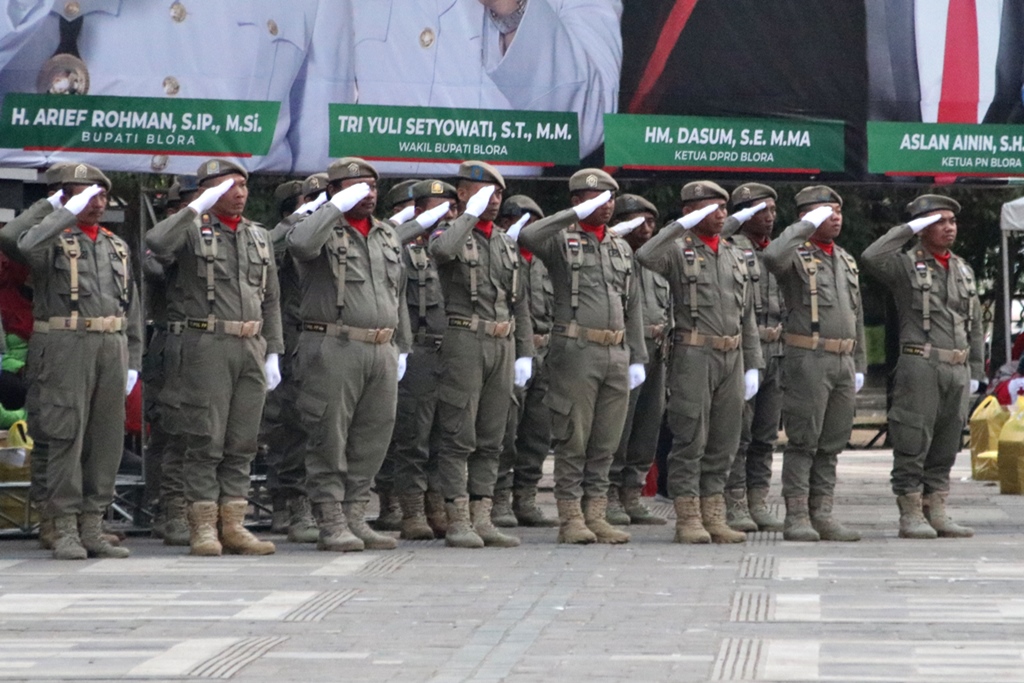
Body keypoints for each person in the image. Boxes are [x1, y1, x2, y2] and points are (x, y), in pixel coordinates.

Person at [146, 158, 283, 556]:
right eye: (229, 185)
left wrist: (274, 350)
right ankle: (203, 527)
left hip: (251, 345)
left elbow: (270, 298)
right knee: (205, 437)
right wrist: (196, 206)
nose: (239, 193)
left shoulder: (258, 236)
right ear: (210, 190)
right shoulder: (190, 230)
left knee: (242, 440)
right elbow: (156, 243)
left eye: (243, 185)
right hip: (206, 344)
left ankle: (234, 524)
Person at [18, 162, 142, 559]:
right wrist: (57, 208)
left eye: (101, 195)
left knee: (106, 438)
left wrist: (133, 359)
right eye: (86, 195)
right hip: (66, 343)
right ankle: (64, 526)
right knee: (66, 436)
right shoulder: (51, 240)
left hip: (111, 343)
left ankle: (94, 523)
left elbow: (132, 308)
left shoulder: (115, 245)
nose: (97, 202)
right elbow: (17, 240)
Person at [287, 156, 411, 552]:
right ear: (335, 190)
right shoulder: (318, 227)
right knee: (329, 434)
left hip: (380, 347)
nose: (369, 194)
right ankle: (331, 520)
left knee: (373, 435)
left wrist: (401, 344)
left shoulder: (387, 234)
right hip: (334, 345)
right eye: (358, 187)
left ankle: (357, 515)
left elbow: (398, 294)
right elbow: (301, 245)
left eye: (373, 187)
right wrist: (332, 207)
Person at [519, 169, 646, 545]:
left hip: (616, 351)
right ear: (577, 201)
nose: (605, 206)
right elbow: (528, 236)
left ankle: (596, 514)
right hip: (576, 350)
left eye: (609, 199)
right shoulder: (561, 240)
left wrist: (637, 355)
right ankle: (571, 517)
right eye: (595, 198)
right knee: (573, 437)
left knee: (606, 440)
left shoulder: (620, 246)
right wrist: (574, 214)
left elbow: (633, 304)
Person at [636, 181, 763, 544]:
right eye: (711, 207)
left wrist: (752, 361)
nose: (721, 214)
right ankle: (688, 518)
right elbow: (645, 255)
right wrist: (680, 225)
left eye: (723, 207)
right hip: (693, 354)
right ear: (691, 211)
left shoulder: (734, 253)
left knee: (724, 440)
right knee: (691, 436)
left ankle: (714, 514)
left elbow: (747, 314)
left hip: (732, 354)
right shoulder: (677, 251)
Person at [861, 194, 983, 538]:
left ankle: (937, 507)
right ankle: (910, 513)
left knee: (947, 442)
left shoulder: (961, 267)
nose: (949, 227)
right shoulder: (903, 265)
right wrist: (908, 228)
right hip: (921, 364)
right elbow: (872, 256)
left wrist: (976, 369)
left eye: (952, 221)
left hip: (956, 368)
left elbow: (971, 324)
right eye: (940, 221)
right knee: (913, 438)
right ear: (923, 227)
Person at [428, 160, 534, 548]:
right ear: (462, 194)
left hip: (502, 343)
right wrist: (467, 218)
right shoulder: (451, 232)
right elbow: (440, 251)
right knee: (459, 433)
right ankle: (457, 519)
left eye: (499, 194)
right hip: (464, 340)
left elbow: (518, 301)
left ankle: (482, 516)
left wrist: (524, 351)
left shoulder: (506, 242)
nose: (493, 200)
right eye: (485, 192)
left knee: (494, 435)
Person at [763, 186, 865, 543]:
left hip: (842, 359)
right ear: (807, 215)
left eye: (838, 210)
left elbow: (857, 315)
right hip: (808, 357)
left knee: (832, 442)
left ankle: (823, 513)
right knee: (804, 440)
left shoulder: (846, 259)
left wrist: (860, 362)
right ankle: (796, 516)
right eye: (826, 211)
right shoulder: (795, 254)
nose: (835, 216)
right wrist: (804, 226)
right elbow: (772, 257)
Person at [387, 179, 456, 540]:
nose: (444, 214)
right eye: (433, 207)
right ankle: (412, 510)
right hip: (420, 350)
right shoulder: (400, 245)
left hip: (456, 350)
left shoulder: (457, 247)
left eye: (449, 208)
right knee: (414, 435)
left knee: (448, 435)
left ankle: (438, 504)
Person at [492, 194, 559, 528]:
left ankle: (526, 498)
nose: (528, 228)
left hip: (547, 352)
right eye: (520, 221)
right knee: (505, 429)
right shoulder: (499, 257)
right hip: (512, 351)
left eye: (535, 223)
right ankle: (499, 499)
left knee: (538, 431)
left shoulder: (551, 261)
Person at [721, 183, 786, 533]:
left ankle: (758, 500)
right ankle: (735, 503)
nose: (770, 218)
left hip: (777, 349)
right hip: (746, 350)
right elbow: (720, 230)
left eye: (774, 211)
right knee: (739, 433)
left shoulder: (777, 250)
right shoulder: (729, 245)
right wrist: (737, 218)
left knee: (765, 435)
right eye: (762, 211)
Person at [606, 194, 671, 526]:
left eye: (651, 221)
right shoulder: (611, 256)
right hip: (625, 350)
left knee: (647, 427)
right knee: (619, 427)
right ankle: (610, 495)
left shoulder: (657, 262)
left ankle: (632, 494)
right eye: (638, 220)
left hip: (656, 352)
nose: (646, 227)